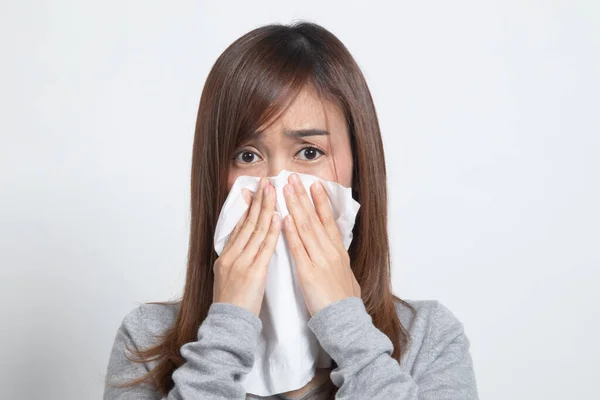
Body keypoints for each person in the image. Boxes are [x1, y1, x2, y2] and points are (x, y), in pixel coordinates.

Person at [103, 21, 479, 400]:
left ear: (357, 164)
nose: (277, 185)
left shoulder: (428, 340)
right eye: (247, 156)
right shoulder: (146, 341)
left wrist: (347, 327)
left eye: (309, 153)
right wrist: (226, 329)